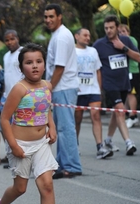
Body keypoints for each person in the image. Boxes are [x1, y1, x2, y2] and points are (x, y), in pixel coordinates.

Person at [0, 43, 65, 204]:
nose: (34, 66)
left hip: (41, 143)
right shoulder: (19, 89)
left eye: (38, 61)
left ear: (44, 64)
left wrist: (51, 126)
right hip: (20, 144)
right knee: (20, 188)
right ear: (21, 67)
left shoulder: (47, 86)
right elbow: (4, 119)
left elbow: (46, 109)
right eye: (29, 62)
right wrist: (14, 145)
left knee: (47, 184)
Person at [44, 3, 82, 179]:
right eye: (46, 17)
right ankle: (62, 164)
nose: (48, 20)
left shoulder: (61, 37)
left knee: (66, 128)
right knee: (61, 128)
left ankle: (72, 166)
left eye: (52, 16)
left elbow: (59, 68)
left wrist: (48, 88)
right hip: (63, 87)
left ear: (60, 16)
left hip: (63, 87)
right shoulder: (58, 34)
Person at [93, 15, 140, 155]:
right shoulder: (99, 45)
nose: (108, 30)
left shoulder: (125, 41)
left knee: (116, 112)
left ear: (117, 28)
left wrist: (123, 48)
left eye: (111, 28)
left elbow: (138, 58)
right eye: (106, 28)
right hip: (109, 84)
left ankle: (108, 139)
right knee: (119, 109)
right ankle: (128, 142)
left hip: (124, 83)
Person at [74, 28, 113, 159]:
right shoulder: (71, 52)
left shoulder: (93, 51)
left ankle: (100, 147)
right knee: (77, 119)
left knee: (96, 116)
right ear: (77, 36)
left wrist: (99, 89)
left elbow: (98, 71)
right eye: (85, 35)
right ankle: (75, 146)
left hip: (93, 90)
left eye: (89, 35)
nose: (87, 38)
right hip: (78, 91)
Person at [2, 29, 24, 169]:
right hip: (7, 97)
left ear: (17, 38)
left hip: (21, 96)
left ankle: (23, 156)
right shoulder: (5, 56)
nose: (10, 42)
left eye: (12, 39)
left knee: (20, 127)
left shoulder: (22, 53)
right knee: (8, 128)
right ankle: (11, 156)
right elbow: (7, 76)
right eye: (7, 40)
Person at [118, 24, 140, 128]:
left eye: (123, 31)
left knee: (131, 93)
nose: (122, 34)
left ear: (128, 32)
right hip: (125, 71)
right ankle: (126, 114)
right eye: (120, 32)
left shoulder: (131, 40)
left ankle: (133, 116)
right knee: (127, 93)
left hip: (132, 70)